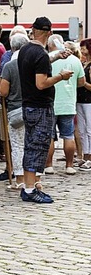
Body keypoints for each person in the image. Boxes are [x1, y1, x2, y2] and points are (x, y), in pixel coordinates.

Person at [17, 17, 73, 204]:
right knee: (37, 147)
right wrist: (60, 76)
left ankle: (28, 186)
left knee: (30, 145)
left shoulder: (26, 49)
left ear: (32, 30)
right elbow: (41, 83)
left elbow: (38, 61)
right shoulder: (40, 55)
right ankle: (31, 189)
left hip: (28, 104)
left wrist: (56, 55)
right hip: (40, 106)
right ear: (49, 33)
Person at [44, 34, 85, 175]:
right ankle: (69, 165)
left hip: (51, 102)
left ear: (50, 45)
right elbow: (81, 82)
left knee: (49, 136)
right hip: (68, 102)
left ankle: (48, 165)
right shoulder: (75, 60)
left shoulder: (48, 59)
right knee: (68, 136)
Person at [0, 33, 31, 190]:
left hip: (16, 109)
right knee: (32, 145)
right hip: (34, 108)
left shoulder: (10, 66)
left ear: (12, 47)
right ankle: (34, 179)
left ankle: (20, 179)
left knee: (17, 145)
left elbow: (3, 91)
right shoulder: (34, 64)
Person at [77, 38, 91, 170]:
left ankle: (90, 156)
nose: (82, 50)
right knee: (82, 130)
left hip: (89, 101)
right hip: (80, 100)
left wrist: (83, 83)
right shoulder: (84, 64)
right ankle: (85, 155)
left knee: (89, 129)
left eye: (84, 48)